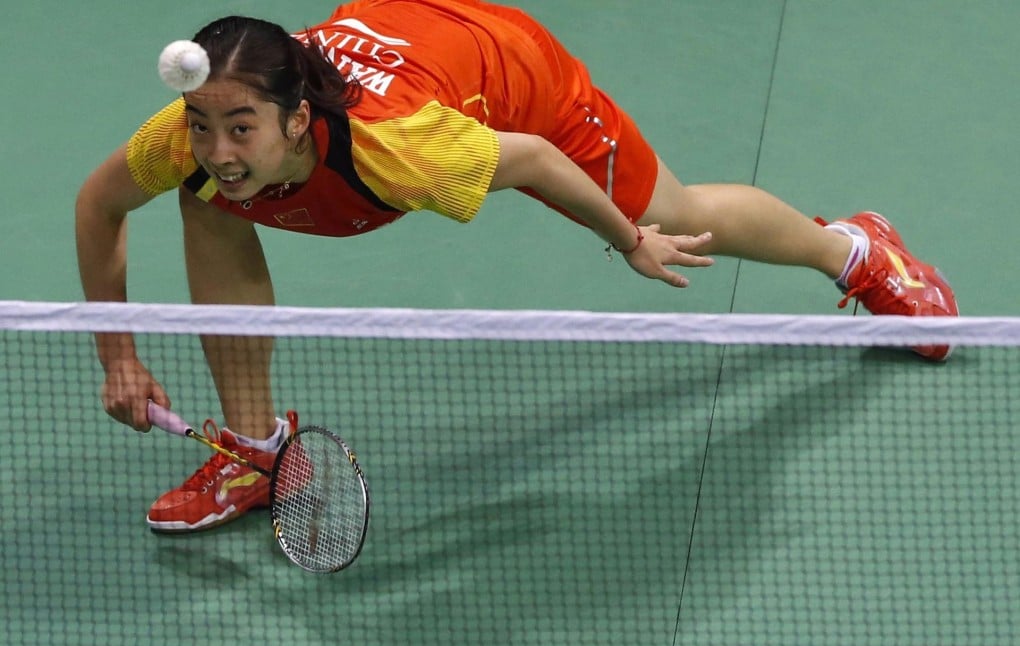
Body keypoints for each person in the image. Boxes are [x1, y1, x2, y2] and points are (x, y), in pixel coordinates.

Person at [75, 0, 957, 533]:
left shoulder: (405, 150)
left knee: (675, 216)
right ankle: (257, 453)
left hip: (514, 79)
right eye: (204, 124)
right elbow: (98, 205)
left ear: (299, 119)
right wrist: (116, 353)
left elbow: (533, 158)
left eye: (241, 130)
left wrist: (628, 239)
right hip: (405, 34)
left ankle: (858, 248)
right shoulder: (189, 139)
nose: (219, 147)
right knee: (201, 194)